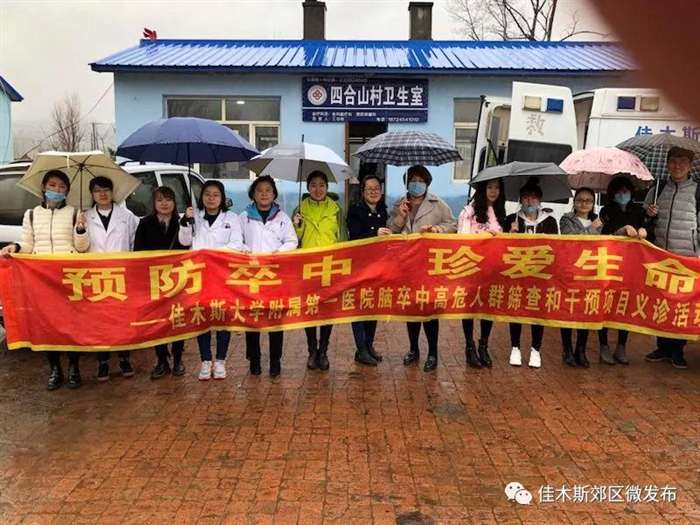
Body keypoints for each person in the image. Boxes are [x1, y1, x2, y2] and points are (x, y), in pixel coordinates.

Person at [0, 170, 89, 390]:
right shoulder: (31, 214)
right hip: (41, 280)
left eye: (62, 187)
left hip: (67, 278)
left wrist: (80, 230)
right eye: (52, 185)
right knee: (47, 327)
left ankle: (74, 368)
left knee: (70, 326)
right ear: (44, 187)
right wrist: (15, 247)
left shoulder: (74, 213)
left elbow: (82, 248)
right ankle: (55, 369)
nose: (57, 190)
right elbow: (28, 245)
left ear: (67, 191)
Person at [388, 165, 457, 372]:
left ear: (427, 183)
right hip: (407, 265)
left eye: (420, 180)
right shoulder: (399, 204)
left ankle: (433, 352)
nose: (416, 184)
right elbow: (390, 230)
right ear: (406, 183)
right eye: (413, 180)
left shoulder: (438, 204)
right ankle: (413, 349)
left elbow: (453, 225)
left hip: (429, 265)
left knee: (429, 309)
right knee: (412, 308)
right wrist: (400, 217)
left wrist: (436, 229)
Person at [180, 180, 245, 380]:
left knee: (223, 315)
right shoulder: (194, 216)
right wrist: (185, 223)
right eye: (207, 194)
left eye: (216, 195)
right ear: (201, 197)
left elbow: (237, 244)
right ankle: (206, 360)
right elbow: (185, 242)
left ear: (222, 198)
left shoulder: (231, 218)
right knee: (202, 316)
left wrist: (211, 255)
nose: (211, 198)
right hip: (199, 275)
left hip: (223, 275)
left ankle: (221, 360)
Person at [644, 147, 699, 369]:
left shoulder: (697, 191)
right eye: (674, 161)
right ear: (667, 164)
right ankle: (662, 347)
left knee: (682, 305)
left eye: (683, 162)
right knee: (661, 302)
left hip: (687, 258)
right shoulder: (657, 189)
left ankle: (677, 349)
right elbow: (645, 218)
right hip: (660, 256)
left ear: (690, 166)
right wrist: (649, 213)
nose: (678, 166)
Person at [239, 176, 297, 377]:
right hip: (251, 275)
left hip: (274, 276)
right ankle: (254, 359)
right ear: (253, 194)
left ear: (274, 194)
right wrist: (246, 251)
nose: (264, 194)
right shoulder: (244, 217)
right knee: (252, 318)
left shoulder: (282, 217)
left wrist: (278, 253)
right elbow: (236, 240)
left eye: (268, 190)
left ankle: (275, 360)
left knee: (275, 318)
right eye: (260, 190)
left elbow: (292, 241)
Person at [85, 176, 140, 381]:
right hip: (96, 277)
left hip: (121, 276)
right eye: (97, 190)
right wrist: (79, 229)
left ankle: (124, 359)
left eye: (106, 189)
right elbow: (80, 247)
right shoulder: (85, 217)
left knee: (122, 320)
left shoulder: (127, 216)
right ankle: (103, 362)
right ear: (92, 194)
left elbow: (135, 244)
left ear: (112, 192)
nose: (102, 194)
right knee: (100, 322)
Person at [134, 186, 190, 380]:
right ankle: (161, 359)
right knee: (157, 321)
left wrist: (187, 223)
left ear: (174, 202)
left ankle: (178, 359)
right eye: (159, 200)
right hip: (153, 280)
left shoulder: (181, 222)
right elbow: (138, 251)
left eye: (168, 199)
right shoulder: (145, 223)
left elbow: (187, 247)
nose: (164, 203)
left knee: (177, 319)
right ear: (153, 203)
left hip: (177, 280)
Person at [293, 170, 345, 372]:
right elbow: (293, 239)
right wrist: (297, 226)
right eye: (313, 185)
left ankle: (323, 351)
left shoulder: (336, 209)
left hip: (330, 266)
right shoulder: (299, 208)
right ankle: (311, 350)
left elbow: (343, 237)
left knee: (327, 309)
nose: (318, 189)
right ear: (308, 188)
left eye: (321, 184)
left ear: (327, 187)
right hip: (307, 267)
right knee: (309, 309)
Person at [506, 178, 558, 369]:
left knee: (537, 309)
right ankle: (515, 347)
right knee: (516, 308)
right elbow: (502, 248)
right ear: (520, 200)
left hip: (540, 273)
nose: (530, 201)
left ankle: (536, 349)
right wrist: (510, 234)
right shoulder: (512, 219)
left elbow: (556, 247)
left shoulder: (550, 221)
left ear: (540, 200)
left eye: (534, 197)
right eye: (526, 197)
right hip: (517, 272)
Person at [596, 176, 648, 366]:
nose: (622, 194)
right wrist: (620, 231)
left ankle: (621, 346)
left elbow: (649, 230)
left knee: (626, 304)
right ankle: (603, 345)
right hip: (610, 264)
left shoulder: (639, 211)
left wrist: (644, 230)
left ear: (631, 192)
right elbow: (602, 235)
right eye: (618, 191)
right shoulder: (606, 211)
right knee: (606, 303)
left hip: (632, 265)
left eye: (626, 191)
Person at [457, 178, 506, 369]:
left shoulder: (500, 212)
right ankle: (469, 346)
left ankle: (483, 345)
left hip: (492, 269)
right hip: (472, 269)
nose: (493, 191)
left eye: (497, 188)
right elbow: (461, 239)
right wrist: (484, 238)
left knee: (489, 307)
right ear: (482, 189)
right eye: (489, 187)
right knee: (469, 308)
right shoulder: (468, 212)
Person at [346, 174, 392, 366]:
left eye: (377, 189)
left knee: (373, 305)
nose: (373, 192)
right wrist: (375, 233)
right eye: (369, 189)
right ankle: (361, 349)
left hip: (378, 265)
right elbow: (354, 236)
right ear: (363, 191)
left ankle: (369, 345)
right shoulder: (355, 210)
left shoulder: (383, 210)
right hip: (359, 266)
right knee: (359, 306)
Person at [559, 187, 603, 368]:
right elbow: (572, 239)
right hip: (571, 271)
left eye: (588, 200)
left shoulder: (599, 221)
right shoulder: (566, 219)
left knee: (586, 310)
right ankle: (567, 349)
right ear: (574, 201)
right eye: (580, 200)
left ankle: (581, 350)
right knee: (568, 310)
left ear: (593, 203)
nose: (584, 203)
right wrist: (592, 229)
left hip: (591, 272)